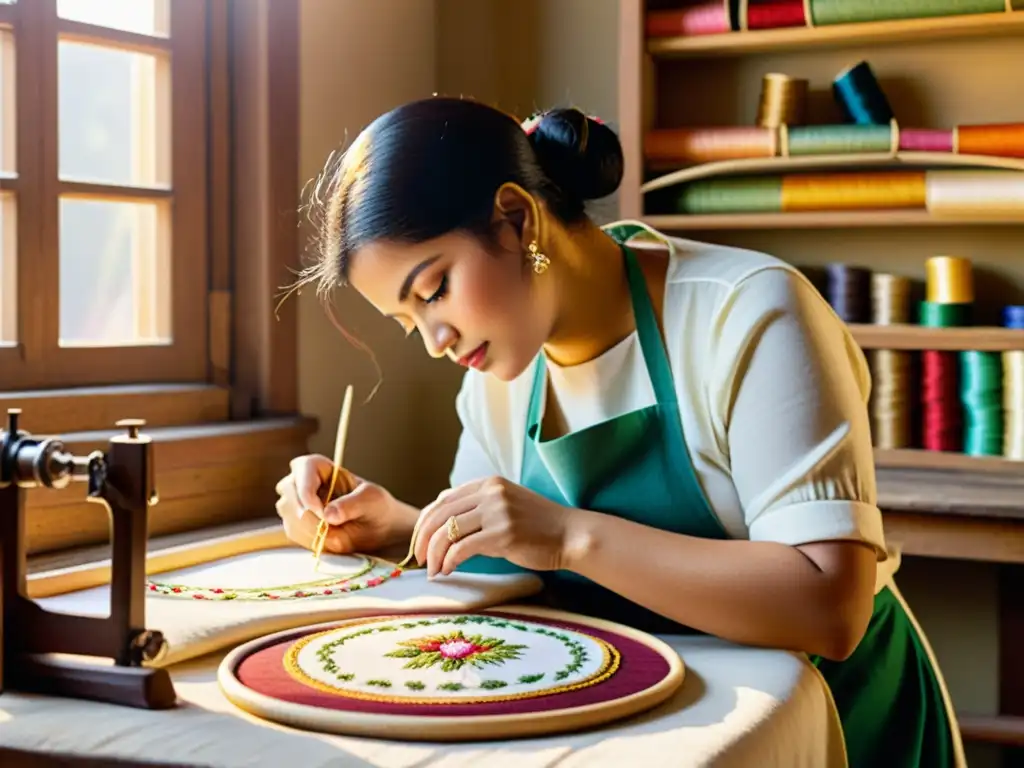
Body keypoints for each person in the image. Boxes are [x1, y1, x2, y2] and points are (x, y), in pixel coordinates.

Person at [274, 96, 962, 767]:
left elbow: (828, 606)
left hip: (834, 719)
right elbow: (509, 557)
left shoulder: (747, 313)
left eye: (433, 291)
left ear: (516, 218)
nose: (434, 339)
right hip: (675, 723)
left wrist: (571, 537)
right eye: (408, 322)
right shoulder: (494, 380)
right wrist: (395, 525)